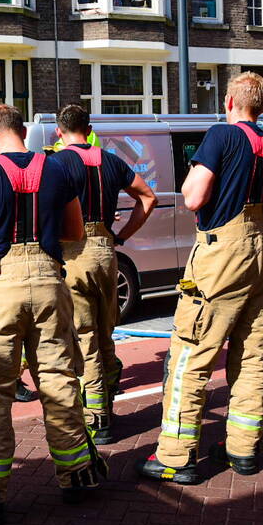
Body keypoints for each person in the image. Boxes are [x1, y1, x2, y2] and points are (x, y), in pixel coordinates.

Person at [0, 104, 107, 525]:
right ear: (25, 131)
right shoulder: (59, 170)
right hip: (50, 283)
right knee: (59, 381)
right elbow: (74, 233)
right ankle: (77, 475)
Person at [137, 72, 263, 483]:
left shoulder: (221, 137)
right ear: (262, 106)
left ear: (228, 102)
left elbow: (192, 197)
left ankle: (175, 457)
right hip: (259, 254)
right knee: (253, 354)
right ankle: (242, 450)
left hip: (221, 253)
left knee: (192, 353)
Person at [51, 104, 158, 444]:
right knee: (105, 327)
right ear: (89, 127)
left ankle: (98, 420)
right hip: (105, 251)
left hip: (74, 251)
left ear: (59, 132)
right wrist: (122, 234)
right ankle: (109, 387)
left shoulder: (56, 164)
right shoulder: (109, 160)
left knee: (86, 338)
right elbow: (148, 197)